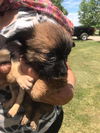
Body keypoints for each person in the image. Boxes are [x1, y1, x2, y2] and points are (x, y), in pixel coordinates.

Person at [0, 0, 75, 132]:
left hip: (44, 126)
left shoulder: (39, 14)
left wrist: (67, 92)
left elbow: (65, 69)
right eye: (49, 56)